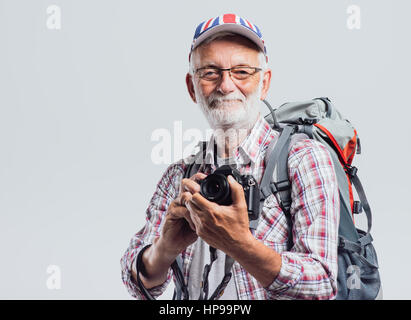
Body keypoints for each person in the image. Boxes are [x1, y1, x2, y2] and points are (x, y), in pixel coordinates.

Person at [120, 13, 340, 300]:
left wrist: (240, 244)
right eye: (210, 72)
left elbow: (322, 283)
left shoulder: (302, 160)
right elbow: (135, 281)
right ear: (192, 87)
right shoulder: (180, 175)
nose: (225, 86)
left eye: (242, 72)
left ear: (264, 83)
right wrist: (166, 248)